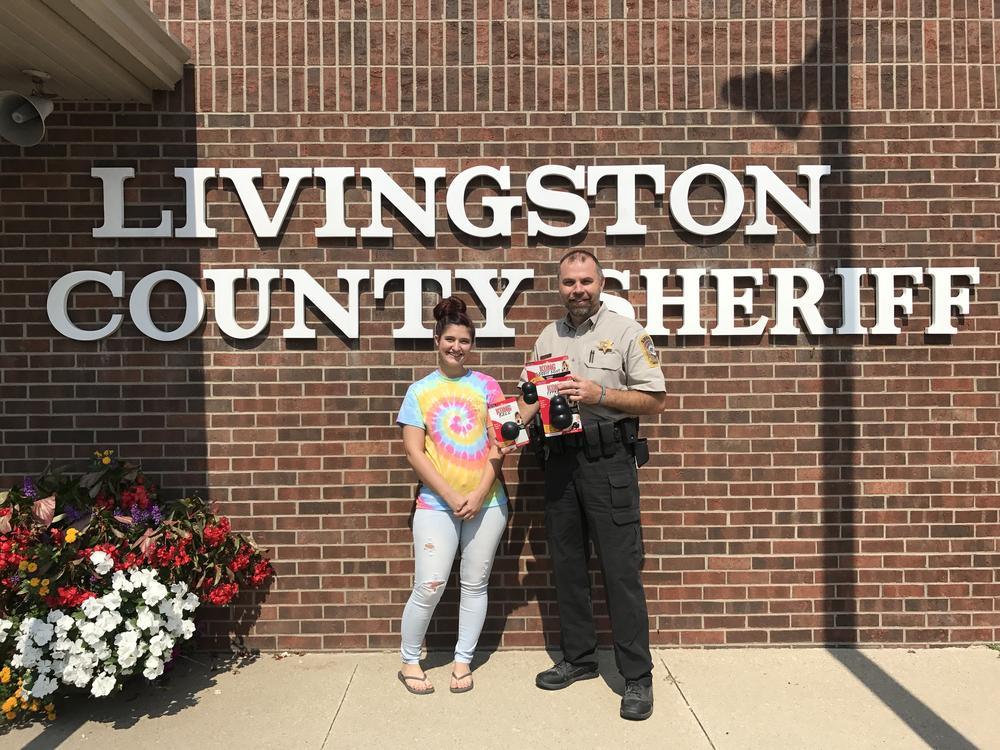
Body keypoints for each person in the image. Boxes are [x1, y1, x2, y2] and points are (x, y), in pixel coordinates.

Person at [512, 250, 666, 721]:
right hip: (559, 462)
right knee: (567, 566)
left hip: (608, 463)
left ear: (600, 283)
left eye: (585, 281)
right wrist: (514, 426)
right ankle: (578, 659)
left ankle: (636, 677)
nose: (577, 289)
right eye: (568, 282)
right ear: (558, 287)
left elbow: (656, 399)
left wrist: (598, 393)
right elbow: (530, 399)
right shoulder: (546, 337)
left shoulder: (626, 332)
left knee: (620, 571)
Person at [395, 296, 509, 695]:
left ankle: (463, 659)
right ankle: (410, 660)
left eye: (464, 340)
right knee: (430, 583)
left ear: (471, 344)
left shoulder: (488, 387)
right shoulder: (419, 391)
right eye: (450, 339)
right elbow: (413, 451)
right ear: (436, 339)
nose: (457, 347)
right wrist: (448, 494)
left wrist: (478, 494)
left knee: (475, 584)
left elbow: (501, 445)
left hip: (487, 503)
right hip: (434, 504)